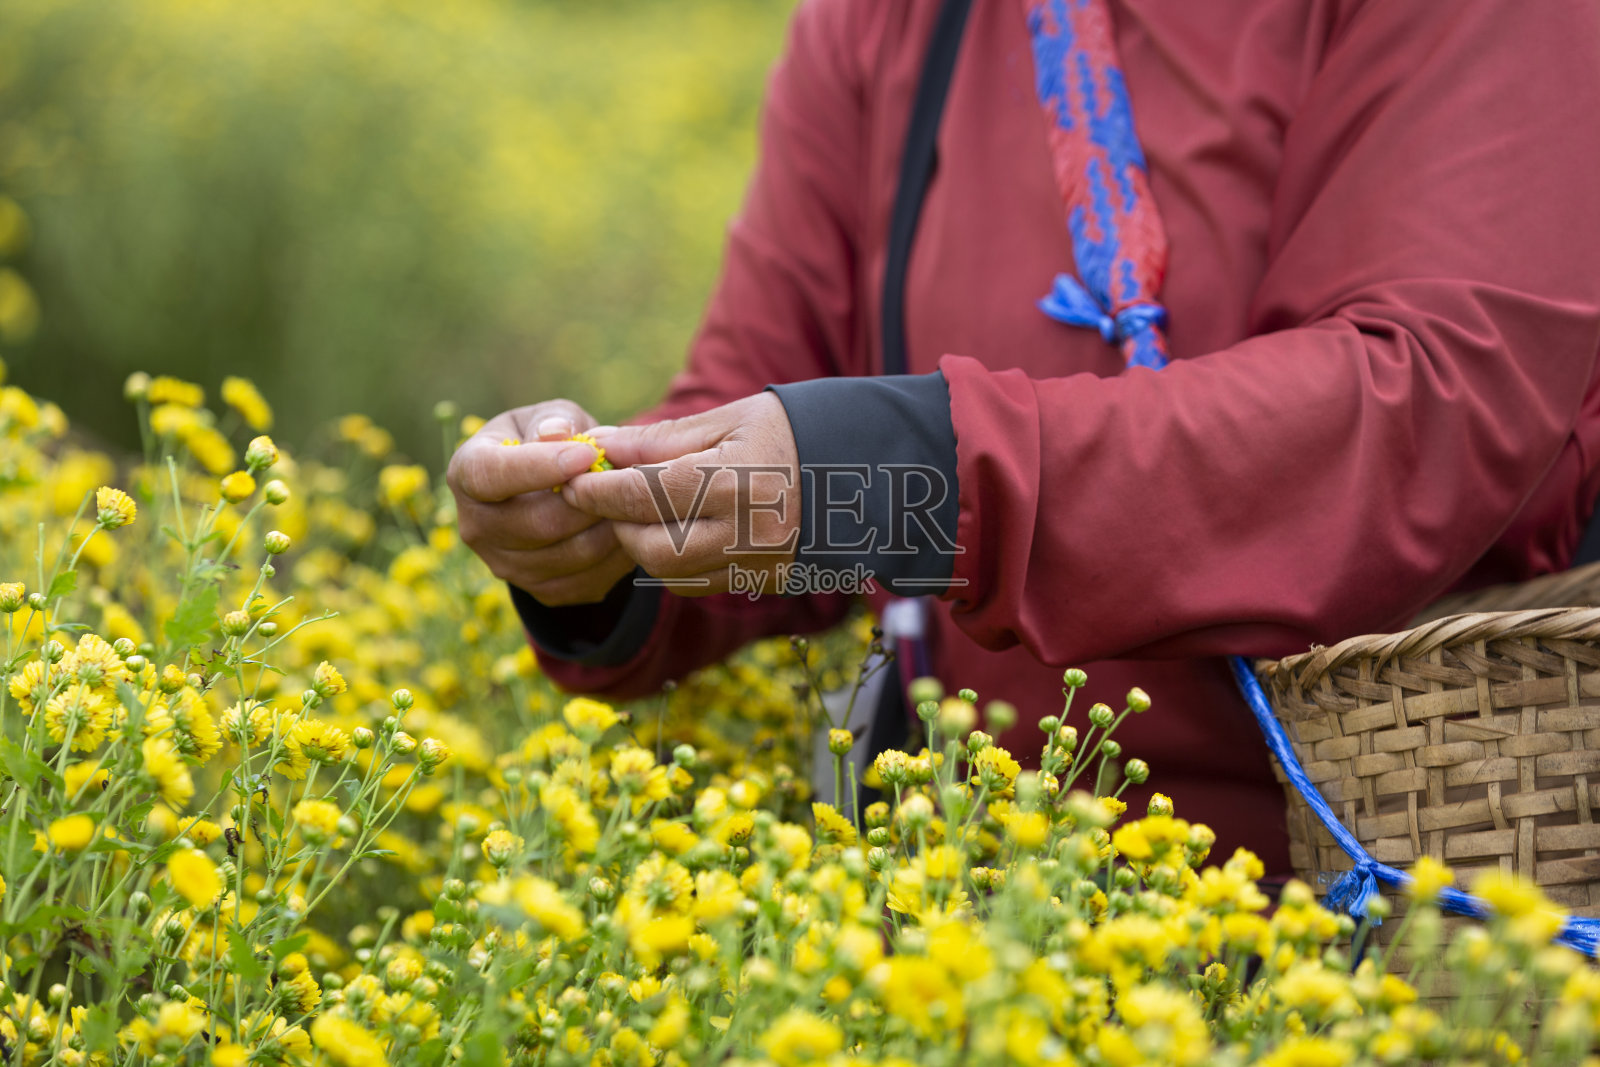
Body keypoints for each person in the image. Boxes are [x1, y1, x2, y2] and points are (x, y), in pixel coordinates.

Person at [447, 0, 1600, 873]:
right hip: (995, 919)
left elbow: (1433, 401)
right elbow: (777, 448)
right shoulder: (893, 21)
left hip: (1395, 899)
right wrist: (598, 532)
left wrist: (916, 474)